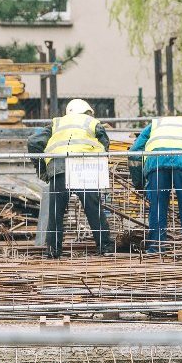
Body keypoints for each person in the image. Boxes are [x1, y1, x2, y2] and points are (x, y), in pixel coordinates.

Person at [38, 99, 113, 258]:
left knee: (56, 212)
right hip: (84, 167)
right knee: (93, 208)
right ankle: (105, 247)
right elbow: (104, 141)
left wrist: (43, 170)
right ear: (87, 111)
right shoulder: (91, 121)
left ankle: (52, 251)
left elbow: (34, 141)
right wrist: (99, 163)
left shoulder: (57, 123)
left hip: (58, 167)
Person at [129, 115, 182, 251]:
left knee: (157, 206)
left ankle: (156, 248)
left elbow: (135, 152)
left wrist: (140, 183)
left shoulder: (155, 124)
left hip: (156, 162)